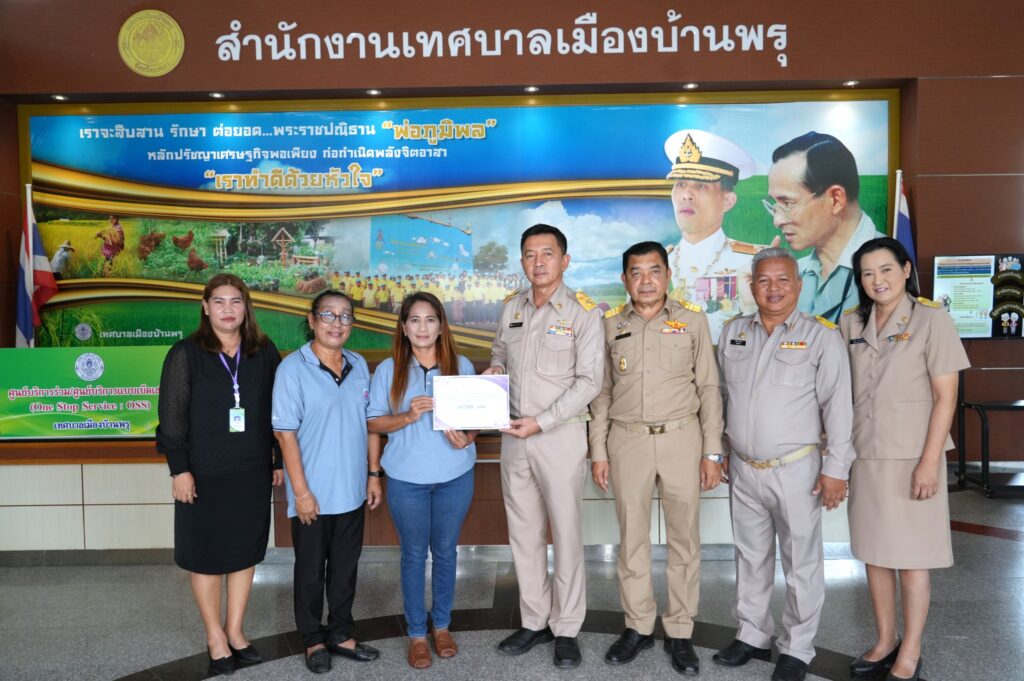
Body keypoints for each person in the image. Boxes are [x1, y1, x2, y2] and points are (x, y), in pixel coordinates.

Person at [715, 248, 856, 681]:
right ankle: (752, 634)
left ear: (798, 285)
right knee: (750, 557)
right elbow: (721, 396)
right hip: (743, 468)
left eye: (782, 280)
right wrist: (719, 450)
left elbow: (839, 407)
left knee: (801, 563)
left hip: (797, 470)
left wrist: (836, 469)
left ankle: (797, 648)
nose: (772, 288)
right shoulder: (733, 332)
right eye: (763, 280)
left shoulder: (821, 336)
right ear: (751, 285)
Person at [589, 241, 725, 674]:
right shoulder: (610, 325)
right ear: (624, 279)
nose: (645, 280)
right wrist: (598, 451)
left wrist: (712, 451)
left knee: (685, 539)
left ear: (668, 275)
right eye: (636, 272)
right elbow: (602, 393)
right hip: (627, 440)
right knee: (632, 539)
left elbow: (709, 388)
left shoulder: (693, 320)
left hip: (682, 438)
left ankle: (681, 630)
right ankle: (638, 625)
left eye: (654, 271)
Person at [840, 238, 969, 681]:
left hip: (913, 457)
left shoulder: (932, 320)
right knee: (874, 555)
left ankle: (911, 650)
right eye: (867, 273)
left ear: (907, 270)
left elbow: (946, 397)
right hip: (866, 455)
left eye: (886, 270)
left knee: (913, 558)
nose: (877, 280)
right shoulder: (851, 322)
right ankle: (884, 640)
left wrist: (930, 462)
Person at [485, 224, 603, 668]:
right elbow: (500, 352)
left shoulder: (583, 312)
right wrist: (495, 369)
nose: (538, 262)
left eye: (547, 254)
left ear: (564, 260)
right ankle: (535, 620)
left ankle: (567, 627)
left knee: (566, 534)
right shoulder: (512, 307)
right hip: (514, 436)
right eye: (530, 255)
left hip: (560, 435)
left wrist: (543, 421)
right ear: (522, 262)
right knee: (524, 532)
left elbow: (590, 381)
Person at [156, 273, 284, 676]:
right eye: (219, 301)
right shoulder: (186, 353)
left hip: (251, 471)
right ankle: (214, 636)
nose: (228, 309)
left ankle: (235, 631)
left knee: (245, 552)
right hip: (203, 474)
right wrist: (180, 470)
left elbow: (280, 410)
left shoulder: (263, 351)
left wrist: (278, 460)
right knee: (206, 557)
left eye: (236, 301)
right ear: (205, 307)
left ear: (246, 307)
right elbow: (171, 419)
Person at [272, 290, 383, 675]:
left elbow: (370, 423)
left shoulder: (358, 364)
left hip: (351, 490)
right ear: (312, 320)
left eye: (345, 316)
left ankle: (340, 633)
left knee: (344, 568)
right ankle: (312, 639)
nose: (337, 323)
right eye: (328, 315)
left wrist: (373, 474)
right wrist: (301, 493)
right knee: (309, 571)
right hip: (312, 495)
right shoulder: (292, 368)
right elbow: (285, 435)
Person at [367, 292, 479, 669]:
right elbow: (373, 423)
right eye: (414, 320)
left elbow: (478, 417)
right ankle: (417, 632)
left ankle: (441, 626)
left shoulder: (460, 365)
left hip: (454, 476)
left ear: (441, 326)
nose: (422, 327)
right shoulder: (389, 370)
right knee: (414, 555)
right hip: (406, 479)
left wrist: (468, 436)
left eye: (430, 319)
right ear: (403, 327)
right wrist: (407, 416)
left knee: (446, 552)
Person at [766, 131, 886, 322]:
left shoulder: (890, 270)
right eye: (775, 206)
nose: (777, 220)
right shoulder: (796, 272)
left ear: (835, 199)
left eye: (787, 204)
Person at [663, 129, 762, 342]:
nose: (686, 195)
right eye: (680, 184)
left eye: (700, 185)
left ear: (727, 201)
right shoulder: (657, 265)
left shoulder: (751, 262)